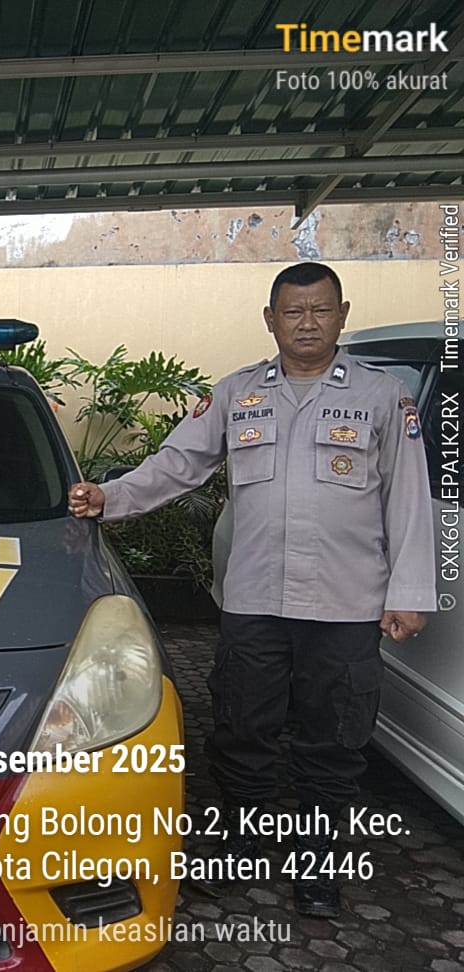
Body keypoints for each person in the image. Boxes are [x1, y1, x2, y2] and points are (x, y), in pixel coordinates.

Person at [69, 262, 435, 918]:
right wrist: (110, 497)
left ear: (342, 315)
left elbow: (408, 499)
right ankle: (243, 842)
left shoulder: (382, 397)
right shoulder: (239, 393)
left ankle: (318, 862)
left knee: (334, 738)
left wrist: (407, 592)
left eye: (320, 311)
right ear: (271, 320)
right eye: (293, 312)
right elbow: (179, 463)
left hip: (346, 602)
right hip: (255, 599)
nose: (307, 324)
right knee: (243, 726)